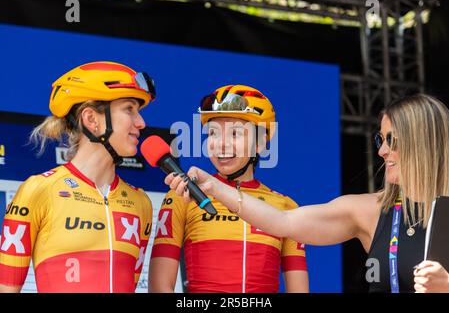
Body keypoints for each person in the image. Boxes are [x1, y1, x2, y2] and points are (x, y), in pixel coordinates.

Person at [165, 94, 449, 293]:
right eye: (379, 138)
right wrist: (214, 187)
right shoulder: (368, 210)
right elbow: (283, 222)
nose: (382, 150)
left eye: (391, 140)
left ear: (424, 143)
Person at [0, 61, 155, 293]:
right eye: (129, 109)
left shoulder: (140, 203)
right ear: (91, 119)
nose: (141, 123)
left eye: (139, 112)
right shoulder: (38, 190)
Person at [149, 85, 308, 293]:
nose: (221, 144)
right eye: (213, 133)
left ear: (260, 142)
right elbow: (159, 287)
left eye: (235, 134)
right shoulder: (183, 196)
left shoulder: (286, 207)